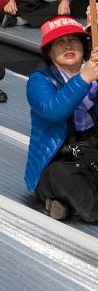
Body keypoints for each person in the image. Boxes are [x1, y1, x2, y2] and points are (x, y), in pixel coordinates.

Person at [26, 16, 98, 222]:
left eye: (74, 40)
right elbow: (54, 111)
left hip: (92, 153)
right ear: (49, 51)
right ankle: (73, 202)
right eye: (59, 42)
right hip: (59, 160)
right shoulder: (39, 81)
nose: (68, 45)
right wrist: (84, 79)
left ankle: (66, 206)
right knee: (67, 181)